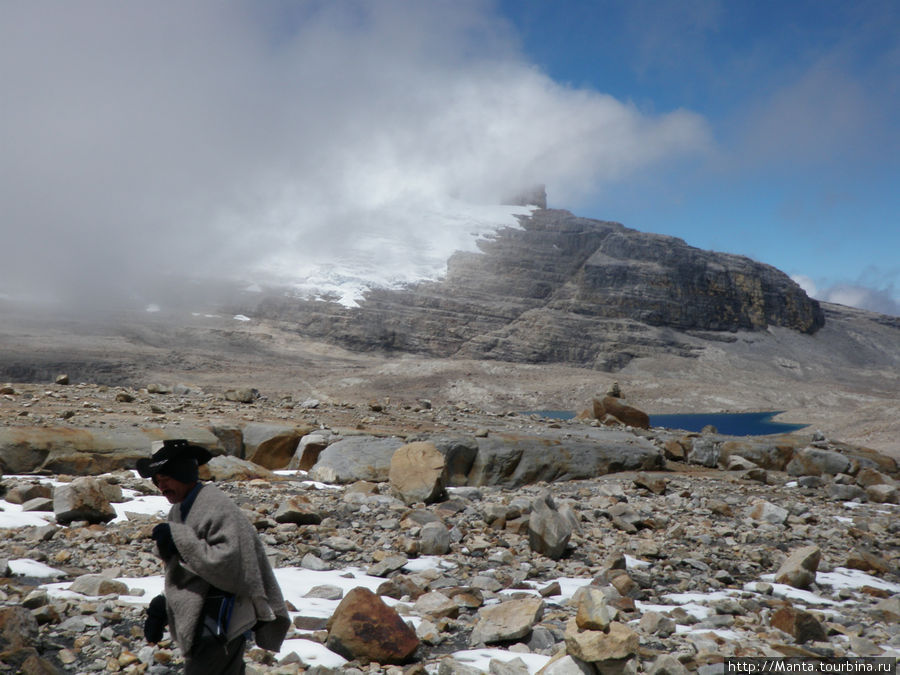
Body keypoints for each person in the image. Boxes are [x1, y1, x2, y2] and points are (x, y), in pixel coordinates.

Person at [137, 439, 290, 674]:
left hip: (224, 621)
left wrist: (179, 540)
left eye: (166, 478)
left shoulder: (219, 507)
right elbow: (190, 570)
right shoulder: (178, 509)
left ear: (183, 473)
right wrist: (163, 605)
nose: (161, 486)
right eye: (157, 481)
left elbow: (231, 566)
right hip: (207, 622)